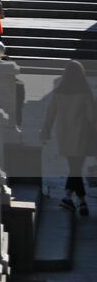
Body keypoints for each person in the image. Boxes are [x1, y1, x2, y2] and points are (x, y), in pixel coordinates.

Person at [41, 60, 95, 215]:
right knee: (76, 168)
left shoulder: (58, 92)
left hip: (64, 136)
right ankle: (71, 199)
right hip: (81, 136)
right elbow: (92, 117)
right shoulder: (85, 92)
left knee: (74, 167)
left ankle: (76, 200)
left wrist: (45, 132)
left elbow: (50, 114)